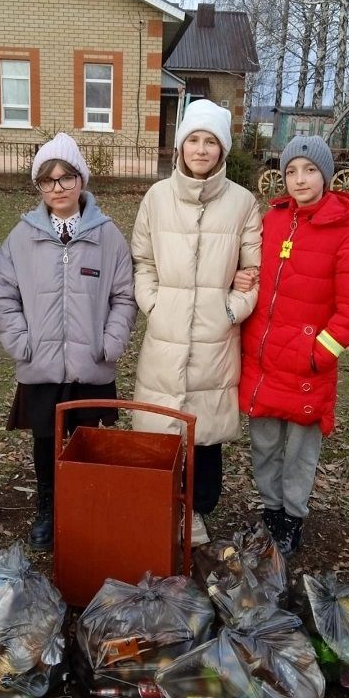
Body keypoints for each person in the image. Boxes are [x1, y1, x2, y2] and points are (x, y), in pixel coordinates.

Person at [0, 132, 137, 551]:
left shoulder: (107, 236)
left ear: (82, 181)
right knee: (45, 440)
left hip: (91, 361)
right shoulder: (23, 236)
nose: (57, 188)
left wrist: (111, 341)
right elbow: (3, 291)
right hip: (42, 362)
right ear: (39, 187)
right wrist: (19, 340)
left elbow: (124, 295)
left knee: (87, 439)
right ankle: (48, 508)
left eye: (66, 178)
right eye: (47, 180)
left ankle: (85, 505)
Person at [130, 99, 262, 546]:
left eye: (211, 141)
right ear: (181, 145)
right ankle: (159, 507)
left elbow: (252, 272)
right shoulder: (156, 198)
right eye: (193, 140)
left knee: (204, 437)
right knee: (160, 431)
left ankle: (198, 512)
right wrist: (153, 304)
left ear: (222, 150)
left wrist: (230, 310)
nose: (201, 149)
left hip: (215, 338)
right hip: (165, 335)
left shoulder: (242, 203)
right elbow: (142, 260)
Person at [238, 135, 349, 558]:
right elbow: (253, 270)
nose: (300, 179)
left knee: (299, 452)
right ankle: (271, 511)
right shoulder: (273, 220)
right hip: (262, 362)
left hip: (306, 370)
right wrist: (241, 281)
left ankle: (293, 518)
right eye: (292, 171)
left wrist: (320, 352)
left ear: (326, 176)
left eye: (310, 170)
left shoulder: (344, 232)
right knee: (263, 444)